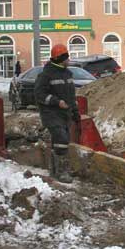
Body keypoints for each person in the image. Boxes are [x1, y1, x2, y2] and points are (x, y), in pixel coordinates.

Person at [34, 43, 80, 183]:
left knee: (59, 142)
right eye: (66, 57)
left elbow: (71, 96)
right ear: (60, 59)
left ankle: (54, 170)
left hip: (65, 114)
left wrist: (75, 112)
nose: (68, 60)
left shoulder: (67, 74)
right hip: (51, 113)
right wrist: (56, 101)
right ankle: (62, 172)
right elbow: (39, 94)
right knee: (61, 139)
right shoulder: (46, 75)